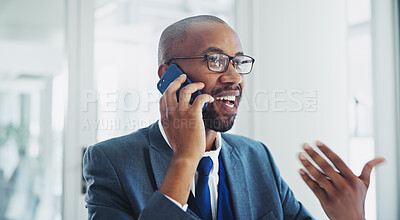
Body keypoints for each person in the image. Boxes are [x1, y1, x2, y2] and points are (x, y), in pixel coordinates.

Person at [83, 15, 385, 220]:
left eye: (238, 62)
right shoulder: (111, 161)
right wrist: (185, 160)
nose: (234, 77)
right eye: (215, 60)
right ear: (168, 75)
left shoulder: (257, 157)